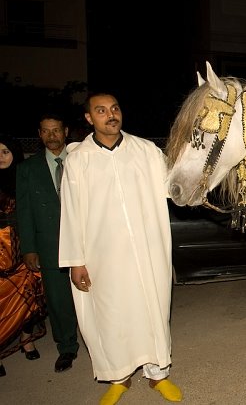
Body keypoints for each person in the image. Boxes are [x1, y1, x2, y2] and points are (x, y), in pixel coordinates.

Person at [58, 92, 182, 404]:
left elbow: (174, 185)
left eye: (115, 108)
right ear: (89, 118)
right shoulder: (78, 160)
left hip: (147, 250)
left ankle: (158, 375)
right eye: (101, 111)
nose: (111, 115)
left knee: (152, 308)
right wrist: (76, 261)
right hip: (103, 257)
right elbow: (71, 213)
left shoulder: (145, 151)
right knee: (110, 315)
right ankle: (118, 377)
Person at [16, 114, 80, 373]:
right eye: (46, 131)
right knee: (58, 300)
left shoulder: (81, 160)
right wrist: (29, 247)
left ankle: (102, 343)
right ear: (39, 135)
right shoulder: (27, 169)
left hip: (85, 242)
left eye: (56, 130)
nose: (52, 135)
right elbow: (25, 211)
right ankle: (66, 347)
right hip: (50, 243)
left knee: (94, 296)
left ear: (65, 132)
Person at [0, 134, 47, 376]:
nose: (1, 157)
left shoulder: (23, 176)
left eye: (5, 151)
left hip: (22, 247)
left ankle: (26, 340)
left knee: (31, 296)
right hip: (0, 251)